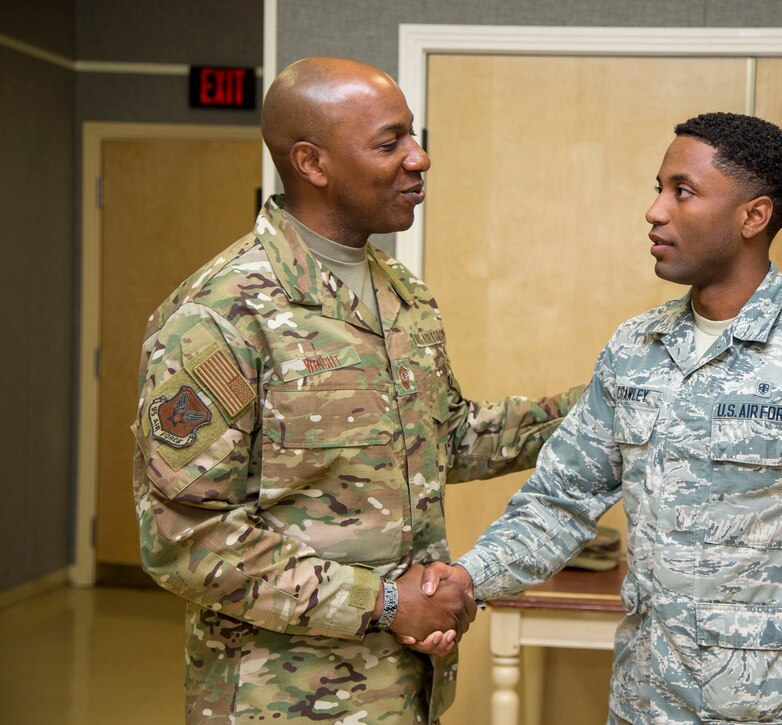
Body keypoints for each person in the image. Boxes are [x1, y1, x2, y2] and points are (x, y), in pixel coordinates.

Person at [413, 113, 782, 723]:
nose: (655, 211)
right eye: (657, 188)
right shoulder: (635, 349)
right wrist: (467, 580)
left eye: (682, 191)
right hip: (643, 702)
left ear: (753, 216)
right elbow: (559, 500)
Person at [130, 57, 583, 724]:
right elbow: (185, 536)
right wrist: (388, 603)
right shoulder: (223, 314)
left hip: (405, 687)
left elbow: (448, 439)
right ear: (312, 162)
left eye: (414, 136)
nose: (419, 158)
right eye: (390, 141)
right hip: (277, 699)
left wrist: (601, 404)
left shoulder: (404, 296)